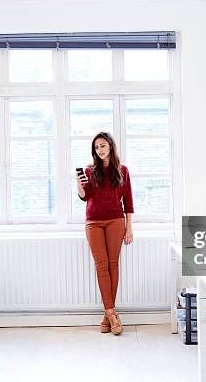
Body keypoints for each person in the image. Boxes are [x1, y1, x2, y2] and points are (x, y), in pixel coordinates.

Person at [76, 131, 134, 336]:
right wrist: (79, 184)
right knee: (101, 266)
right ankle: (111, 314)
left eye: (102, 145)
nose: (99, 150)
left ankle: (107, 316)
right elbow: (85, 197)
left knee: (113, 265)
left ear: (110, 146)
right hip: (93, 222)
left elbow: (128, 200)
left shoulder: (123, 170)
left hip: (116, 221)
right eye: (96, 147)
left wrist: (129, 227)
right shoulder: (89, 170)